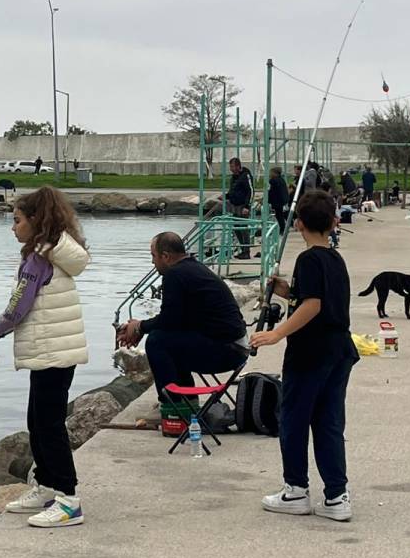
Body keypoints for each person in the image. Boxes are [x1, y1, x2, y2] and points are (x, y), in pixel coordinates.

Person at [0, 185, 90, 528]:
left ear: (36, 220)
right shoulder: (54, 249)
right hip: (52, 350)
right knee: (37, 422)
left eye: (17, 219)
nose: (12, 227)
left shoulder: (40, 255)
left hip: (52, 350)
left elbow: (18, 306)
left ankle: (68, 500)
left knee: (48, 426)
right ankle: (48, 486)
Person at [250, 189, 357, 522]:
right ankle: (336, 497)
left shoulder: (308, 259)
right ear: (333, 223)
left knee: (294, 420)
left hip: (310, 354)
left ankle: (295, 489)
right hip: (338, 352)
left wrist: (276, 333)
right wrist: (288, 290)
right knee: (328, 423)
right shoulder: (334, 258)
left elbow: (314, 305)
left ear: (298, 224)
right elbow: (311, 296)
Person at [117, 231, 248, 402]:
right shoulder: (192, 268)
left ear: (165, 256)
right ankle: (186, 400)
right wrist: (140, 327)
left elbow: (168, 320)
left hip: (227, 350)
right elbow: (175, 319)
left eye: (153, 256)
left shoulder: (175, 274)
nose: (152, 262)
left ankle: (172, 404)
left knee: (157, 341)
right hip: (236, 347)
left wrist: (140, 326)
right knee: (170, 339)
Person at [225, 157, 255, 259]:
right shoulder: (234, 177)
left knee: (243, 228)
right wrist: (226, 196)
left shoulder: (245, 175)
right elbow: (232, 191)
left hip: (243, 206)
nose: (231, 169)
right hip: (235, 206)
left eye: (232, 166)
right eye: (230, 167)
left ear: (238, 166)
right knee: (236, 227)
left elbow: (250, 191)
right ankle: (243, 250)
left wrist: (247, 206)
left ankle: (246, 251)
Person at [268, 167, 289, 233]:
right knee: (280, 215)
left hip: (278, 201)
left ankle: (283, 228)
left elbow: (272, 192)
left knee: (279, 215)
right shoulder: (281, 180)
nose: (270, 174)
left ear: (275, 173)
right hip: (281, 200)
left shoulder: (274, 181)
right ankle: (283, 228)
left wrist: (269, 200)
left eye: (271, 172)